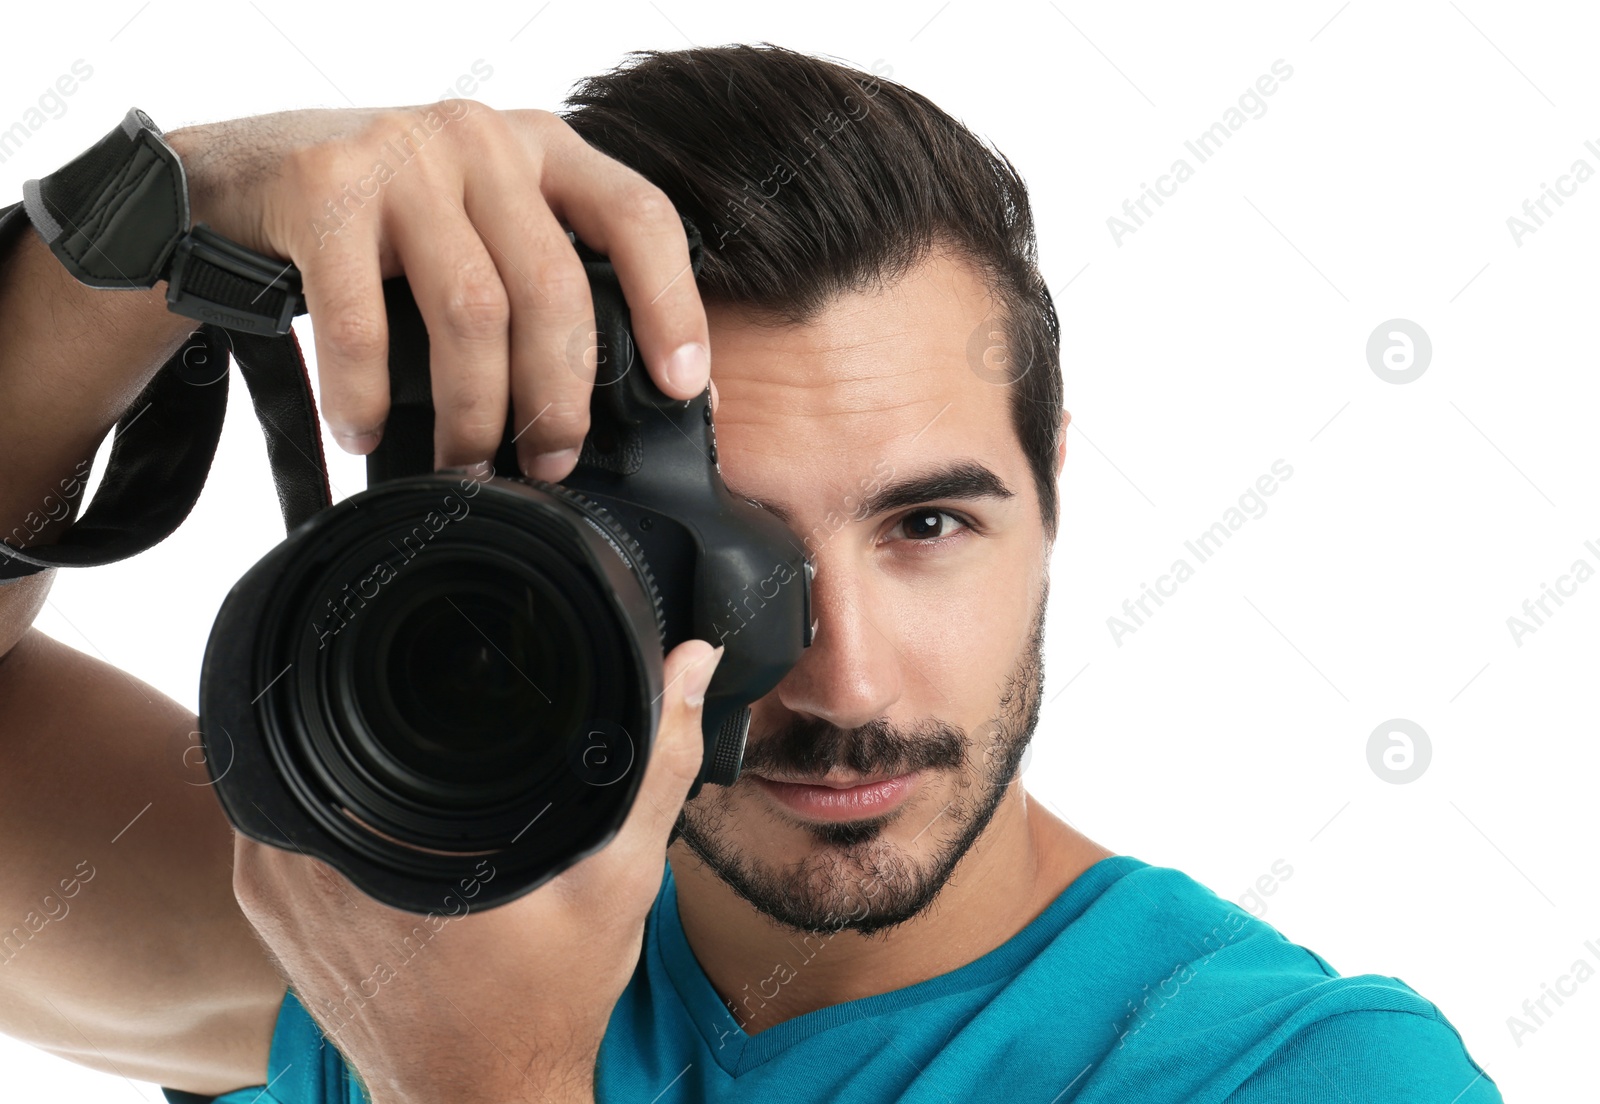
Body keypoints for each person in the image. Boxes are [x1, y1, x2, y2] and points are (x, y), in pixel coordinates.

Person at [0, 43, 1499, 1104]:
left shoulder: (1293, 1074)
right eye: (724, 552)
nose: (840, 677)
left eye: (926, 526)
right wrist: (153, 220)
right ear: (552, 550)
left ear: (1052, 491)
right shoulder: (389, 945)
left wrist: (479, 1091)